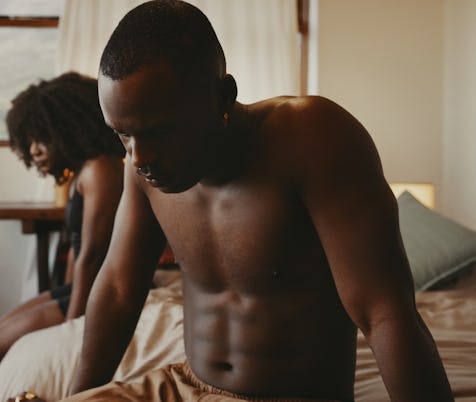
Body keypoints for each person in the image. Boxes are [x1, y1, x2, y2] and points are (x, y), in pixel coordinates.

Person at [58, 1, 454, 401]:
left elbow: (384, 312)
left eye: (158, 131)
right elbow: (120, 289)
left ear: (222, 96)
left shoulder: (312, 138)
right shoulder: (141, 165)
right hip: (184, 384)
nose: (139, 157)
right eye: (122, 134)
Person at [0, 72, 125, 402]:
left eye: (42, 139)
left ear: (67, 129)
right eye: (29, 143)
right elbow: (79, 252)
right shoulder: (83, 171)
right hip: (81, 287)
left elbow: (92, 255)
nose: (35, 151)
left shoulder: (100, 168)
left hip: (98, 288)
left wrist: (71, 327)